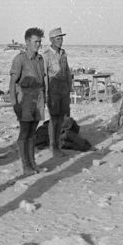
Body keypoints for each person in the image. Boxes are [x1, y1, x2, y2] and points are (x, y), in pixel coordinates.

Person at [9, 27, 46, 176]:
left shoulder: (40, 59)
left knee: (32, 134)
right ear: (27, 42)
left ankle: (33, 164)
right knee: (24, 133)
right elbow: (12, 84)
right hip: (24, 101)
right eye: (35, 42)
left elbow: (43, 80)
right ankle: (26, 166)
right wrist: (14, 104)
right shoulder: (20, 59)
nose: (38, 44)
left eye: (39, 42)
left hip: (38, 100)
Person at [43, 27, 73, 157]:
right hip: (53, 91)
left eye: (61, 38)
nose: (61, 41)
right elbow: (44, 76)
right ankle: (53, 146)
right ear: (51, 40)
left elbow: (67, 72)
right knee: (54, 119)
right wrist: (45, 94)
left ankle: (58, 145)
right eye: (58, 39)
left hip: (64, 91)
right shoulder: (46, 56)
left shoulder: (63, 54)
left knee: (61, 119)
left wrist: (69, 88)